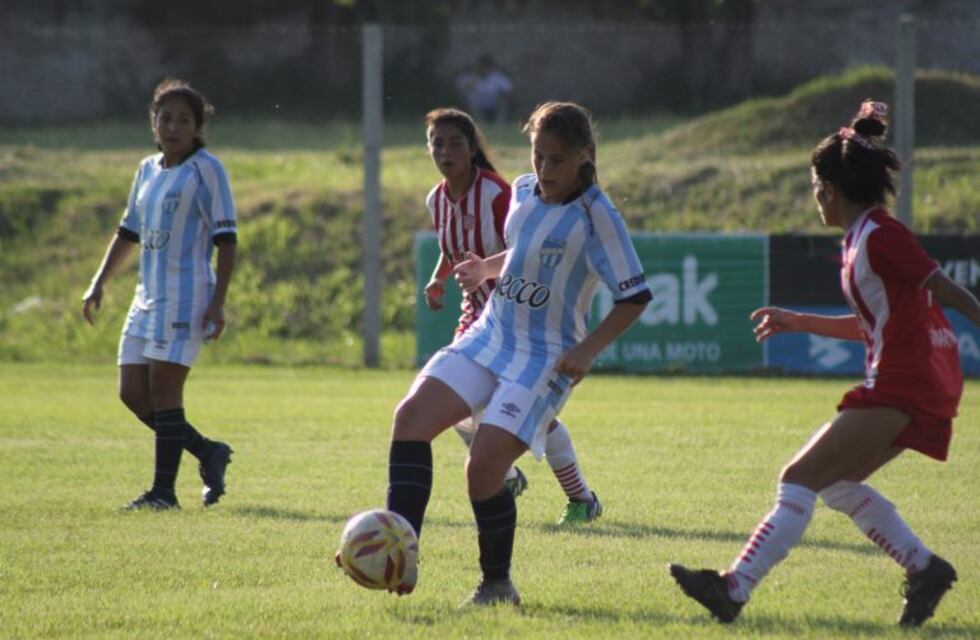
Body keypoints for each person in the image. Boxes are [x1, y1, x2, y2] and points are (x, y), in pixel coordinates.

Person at [669, 101, 980, 627]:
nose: (814, 196)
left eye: (815, 185)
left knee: (798, 477)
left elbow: (948, 289)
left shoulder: (881, 235)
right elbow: (875, 325)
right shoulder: (863, 238)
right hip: (916, 381)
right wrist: (800, 321)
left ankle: (734, 587)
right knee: (836, 483)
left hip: (906, 382)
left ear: (829, 189)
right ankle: (924, 568)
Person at [383, 101, 651, 605]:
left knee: (483, 467)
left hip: (545, 356)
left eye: (557, 159)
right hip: (491, 334)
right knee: (411, 418)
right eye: (537, 156)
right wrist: (486, 268)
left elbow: (634, 296)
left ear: (585, 156)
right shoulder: (524, 192)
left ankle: (497, 586)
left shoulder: (598, 216)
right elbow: (524, 252)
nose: (544, 170)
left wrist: (587, 351)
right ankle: (396, 550)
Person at [423, 107, 604, 524]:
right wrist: (438, 278)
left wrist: (489, 271)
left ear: (472, 148)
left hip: (517, 318)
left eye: (455, 143)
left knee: (527, 415)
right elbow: (452, 247)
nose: (446, 152)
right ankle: (505, 477)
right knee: (459, 409)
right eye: (437, 143)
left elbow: (526, 244)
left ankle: (578, 497)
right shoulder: (436, 199)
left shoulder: (497, 193)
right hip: (476, 319)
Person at [82, 78, 238, 510]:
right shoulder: (147, 169)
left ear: (198, 127)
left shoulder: (206, 169)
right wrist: (99, 281)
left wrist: (218, 301)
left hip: (186, 296)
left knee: (166, 393)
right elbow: (128, 231)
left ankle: (163, 493)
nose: (173, 127)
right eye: (165, 118)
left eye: (184, 120)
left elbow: (227, 240)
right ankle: (208, 450)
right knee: (132, 393)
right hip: (146, 297)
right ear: (153, 122)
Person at [455, 54, 513, 124]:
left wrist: (502, 96)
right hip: (478, 104)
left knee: (503, 102)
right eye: (482, 67)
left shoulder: (497, 77)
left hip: (494, 103)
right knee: (471, 101)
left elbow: (508, 90)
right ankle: (479, 123)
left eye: (486, 67)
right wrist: (475, 78)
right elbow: (463, 88)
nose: (484, 69)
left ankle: (499, 124)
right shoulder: (472, 77)